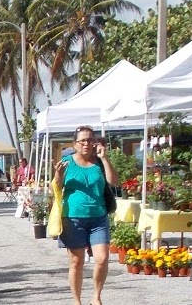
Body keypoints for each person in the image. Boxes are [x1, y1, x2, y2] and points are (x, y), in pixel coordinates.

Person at [53, 125, 117, 305]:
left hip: (99, 217)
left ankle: (96, 297)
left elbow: (113, 182)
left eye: (90, 139)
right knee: (76, 261)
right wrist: (58, 174)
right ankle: (77, 301)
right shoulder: (67, 162)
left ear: (95, 142)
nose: (87, 143)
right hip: (73, 218)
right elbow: (57, 187)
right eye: (82, 140)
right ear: (75, 144)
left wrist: (104, 159)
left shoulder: (99, 162)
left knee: (102, 258)